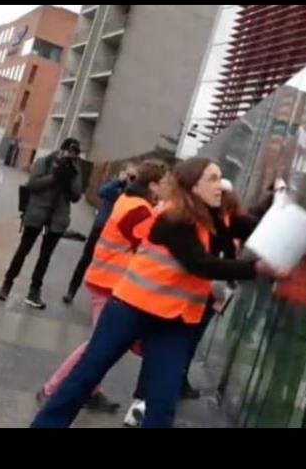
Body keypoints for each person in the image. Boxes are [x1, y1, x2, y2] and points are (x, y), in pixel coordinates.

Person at [30, 158, 287, 428]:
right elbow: (199, 263)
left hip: (174, 322)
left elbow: (250, 224)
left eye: (220, 178)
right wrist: (256, 268)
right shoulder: (171, 218)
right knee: (85, 377)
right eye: (212, 179)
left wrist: (278, 199)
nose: (220, 186)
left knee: (162, 404)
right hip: (131, 310)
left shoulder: (214, 218)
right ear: (191, 186)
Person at [123, 178, 260, 427]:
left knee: (173, 352)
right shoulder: (196, 222)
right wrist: (251, 269)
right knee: (173, 351)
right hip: (186, 298)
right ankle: (144, 402)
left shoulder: (221, 221)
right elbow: (203, 263)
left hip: (197, 297)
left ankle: (146, 401)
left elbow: (249, 223)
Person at [37, 160, 170, 413]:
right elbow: (149, 243)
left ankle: (91, 390)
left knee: (101, 343)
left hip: (105, 279)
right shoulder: (139, 210)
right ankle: (52, 389)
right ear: (153, 185)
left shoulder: (130, 200)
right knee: (98, 345)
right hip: (111, 283)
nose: (167, 187)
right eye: (164, 183)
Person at [0, 137, 84, 309]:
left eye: (74, 155)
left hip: (58, 218)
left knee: (45, 257)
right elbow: (33, 184)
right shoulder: (46, 161)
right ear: (61, 150)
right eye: (68, 152)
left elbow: (76, 196)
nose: (70, 157)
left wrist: (69, 178)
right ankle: (6, 285)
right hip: (37, 213)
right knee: (23, 250)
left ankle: (34, 291)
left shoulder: (75, 169)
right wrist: (55, 176)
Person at [62, 162, 139, 305]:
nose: (130, 179)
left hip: (117, 234)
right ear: (122, 172)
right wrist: (119, 181)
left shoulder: (132, 191)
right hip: (101, 226)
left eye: (133, 177)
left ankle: (103, 297)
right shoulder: (114, 183)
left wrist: (131, 186)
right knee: (86, 259)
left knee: (112, 266)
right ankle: (71, 290)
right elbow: (102, 192)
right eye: (128, 175)